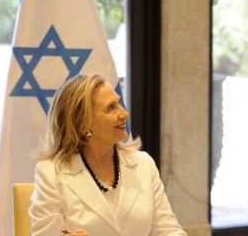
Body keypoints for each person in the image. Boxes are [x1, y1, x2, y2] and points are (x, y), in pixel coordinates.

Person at [29, 74, 187, 236]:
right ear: (82, 124)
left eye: (119, 103)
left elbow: (169, 231)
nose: (124, 113)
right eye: (111, 108)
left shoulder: (144, 164)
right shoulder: (51, 173)